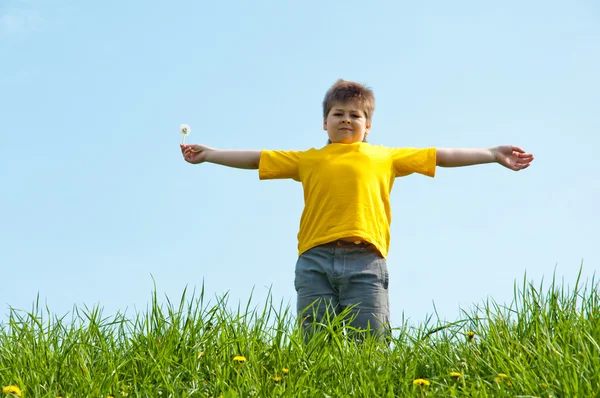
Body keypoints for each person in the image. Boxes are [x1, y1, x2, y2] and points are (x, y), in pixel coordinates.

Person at [180, 79, 534, 341]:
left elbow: (442, 155)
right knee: (315, 343)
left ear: (368, 126)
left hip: (367, 262)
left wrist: (490, 153)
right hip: (315, 260)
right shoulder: (308, 159)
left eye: (354, 115)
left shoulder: (385, 156)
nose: (346, 120)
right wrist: (210, 154)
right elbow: (255, 158)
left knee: (371, 345)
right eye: (338, 114)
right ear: (324, 122)